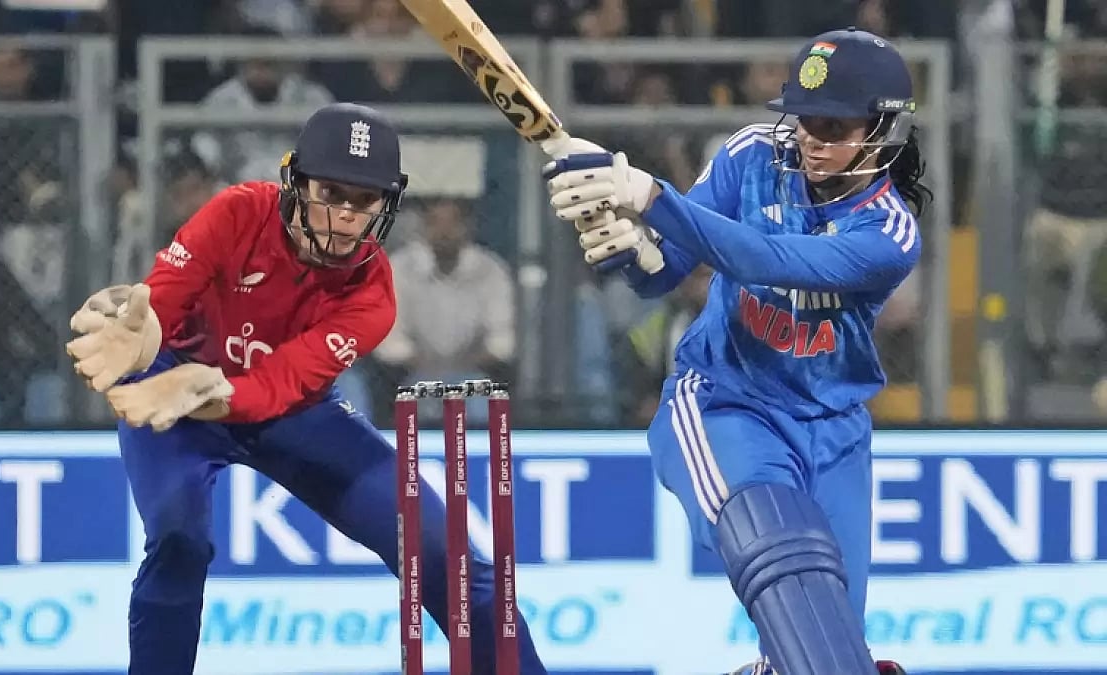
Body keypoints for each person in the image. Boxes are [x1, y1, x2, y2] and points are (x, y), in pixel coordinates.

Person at [65, 102, 549, 675]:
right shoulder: (238, 211)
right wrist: (140, 337)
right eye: (331, 194)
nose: (345, 216)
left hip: (287, 412)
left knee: (443, 551)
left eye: (364, 201)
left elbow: (279, 386)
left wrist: (212, 391)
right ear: (294, 182)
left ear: (387, 205)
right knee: (178, 540)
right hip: (169, 391)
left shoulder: (373, 296)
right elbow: (162, 299)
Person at [541, 28, 924, 675]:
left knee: (826, 654)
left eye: (832, 126)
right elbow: (670, 271)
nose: (810, 139)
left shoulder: (889, 233)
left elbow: (772, 258)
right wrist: (631, 249)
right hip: (726, 402)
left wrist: (650, 196)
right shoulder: (751, 155)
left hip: (834, 434)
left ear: (883, 132)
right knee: (784, 556)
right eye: (802, 121)